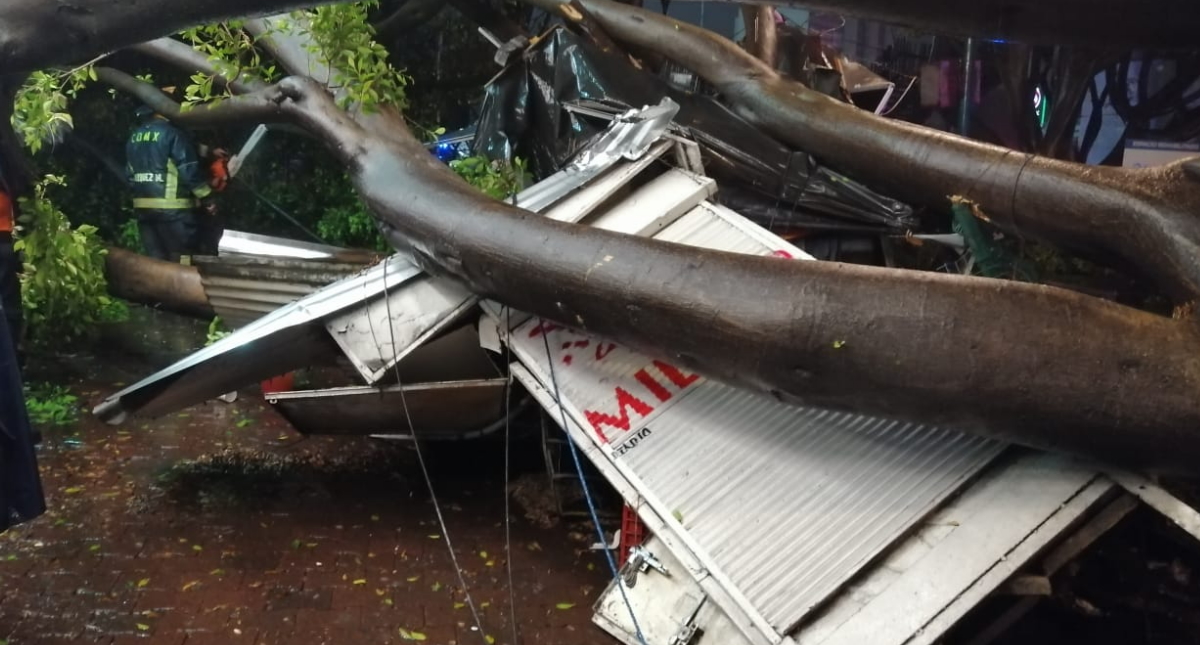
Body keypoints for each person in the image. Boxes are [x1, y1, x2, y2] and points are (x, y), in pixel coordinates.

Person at [125, 106, 217, 262]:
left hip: (144, 211)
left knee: (157, 262)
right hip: (174, 212)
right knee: (183, 260)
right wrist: (208, 199)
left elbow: (130, 175)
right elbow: (189, 171)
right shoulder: (173, 134)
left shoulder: (134, 137)